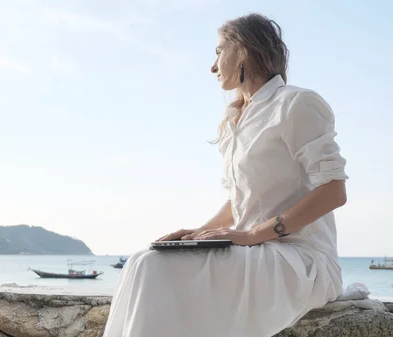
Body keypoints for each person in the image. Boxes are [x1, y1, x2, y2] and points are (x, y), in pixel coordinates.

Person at [102, 13, 348, 337]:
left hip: (299, 260)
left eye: (219, 51)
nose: (213, 66)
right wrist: (198, 232)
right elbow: (241, 201)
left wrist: (249, 236)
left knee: (152, 268)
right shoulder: (236, 118)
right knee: (140, 261)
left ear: (243, 49)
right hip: (253, 251)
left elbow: (333, 191)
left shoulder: (296, 104)